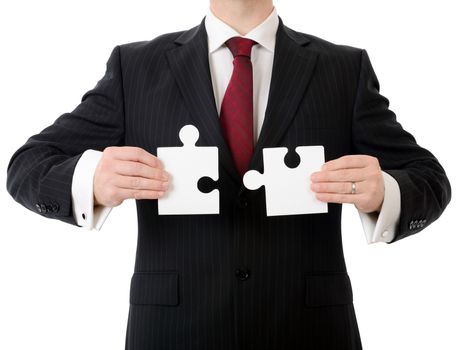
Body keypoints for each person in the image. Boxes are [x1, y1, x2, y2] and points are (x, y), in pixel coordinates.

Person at [6, 0, 451, 349]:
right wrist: (91, 181)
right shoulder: (135, 68)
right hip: (173, 331)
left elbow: (429, 177)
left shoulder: (343, 69)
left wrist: (384, 193)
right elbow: (28, 164)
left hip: (309, 330)